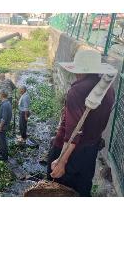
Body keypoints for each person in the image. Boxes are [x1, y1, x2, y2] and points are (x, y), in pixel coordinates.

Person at [46, 49, 117, 197]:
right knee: (82, 190)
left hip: (71, 152)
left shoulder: (77, 90)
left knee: (57, 190)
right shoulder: (108, 89)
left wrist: (61, 161)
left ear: (78, 69)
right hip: (90, 151)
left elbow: (73, 133)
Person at [0, 88, 12, 160]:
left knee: (2, 140)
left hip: (3, 126)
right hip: (3, 125)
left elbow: (4, 118)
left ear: (1, 95)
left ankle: (5, 155)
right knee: (0, 139)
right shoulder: (7, 102)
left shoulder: (5, 105)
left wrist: (0, 127)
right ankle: (1, 150)